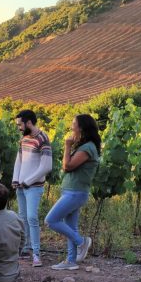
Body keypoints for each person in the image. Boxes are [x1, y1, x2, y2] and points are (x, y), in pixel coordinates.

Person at [45, 114, 100, 271]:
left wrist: (67, 146)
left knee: (51, 220)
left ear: (81, 128)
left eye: (74, 123)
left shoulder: (87, 148)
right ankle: (71, 261)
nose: (71, 126)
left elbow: (67, 166)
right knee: (71, 227)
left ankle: (82, 242)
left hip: (75, 193)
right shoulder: (84, 146)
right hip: (71, 191)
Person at [12, 109, 53, 267]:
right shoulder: (24, 139)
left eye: (20, 125)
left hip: (33, 187)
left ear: (28, 123)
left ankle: (36, 254)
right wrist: (16, 179)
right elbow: (19, 159)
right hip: (21, 186)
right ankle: (25, 248)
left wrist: (27, 181)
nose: (19, 128)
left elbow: (46, 167)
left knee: (32, 218)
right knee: (22, 218)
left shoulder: (43, 138)